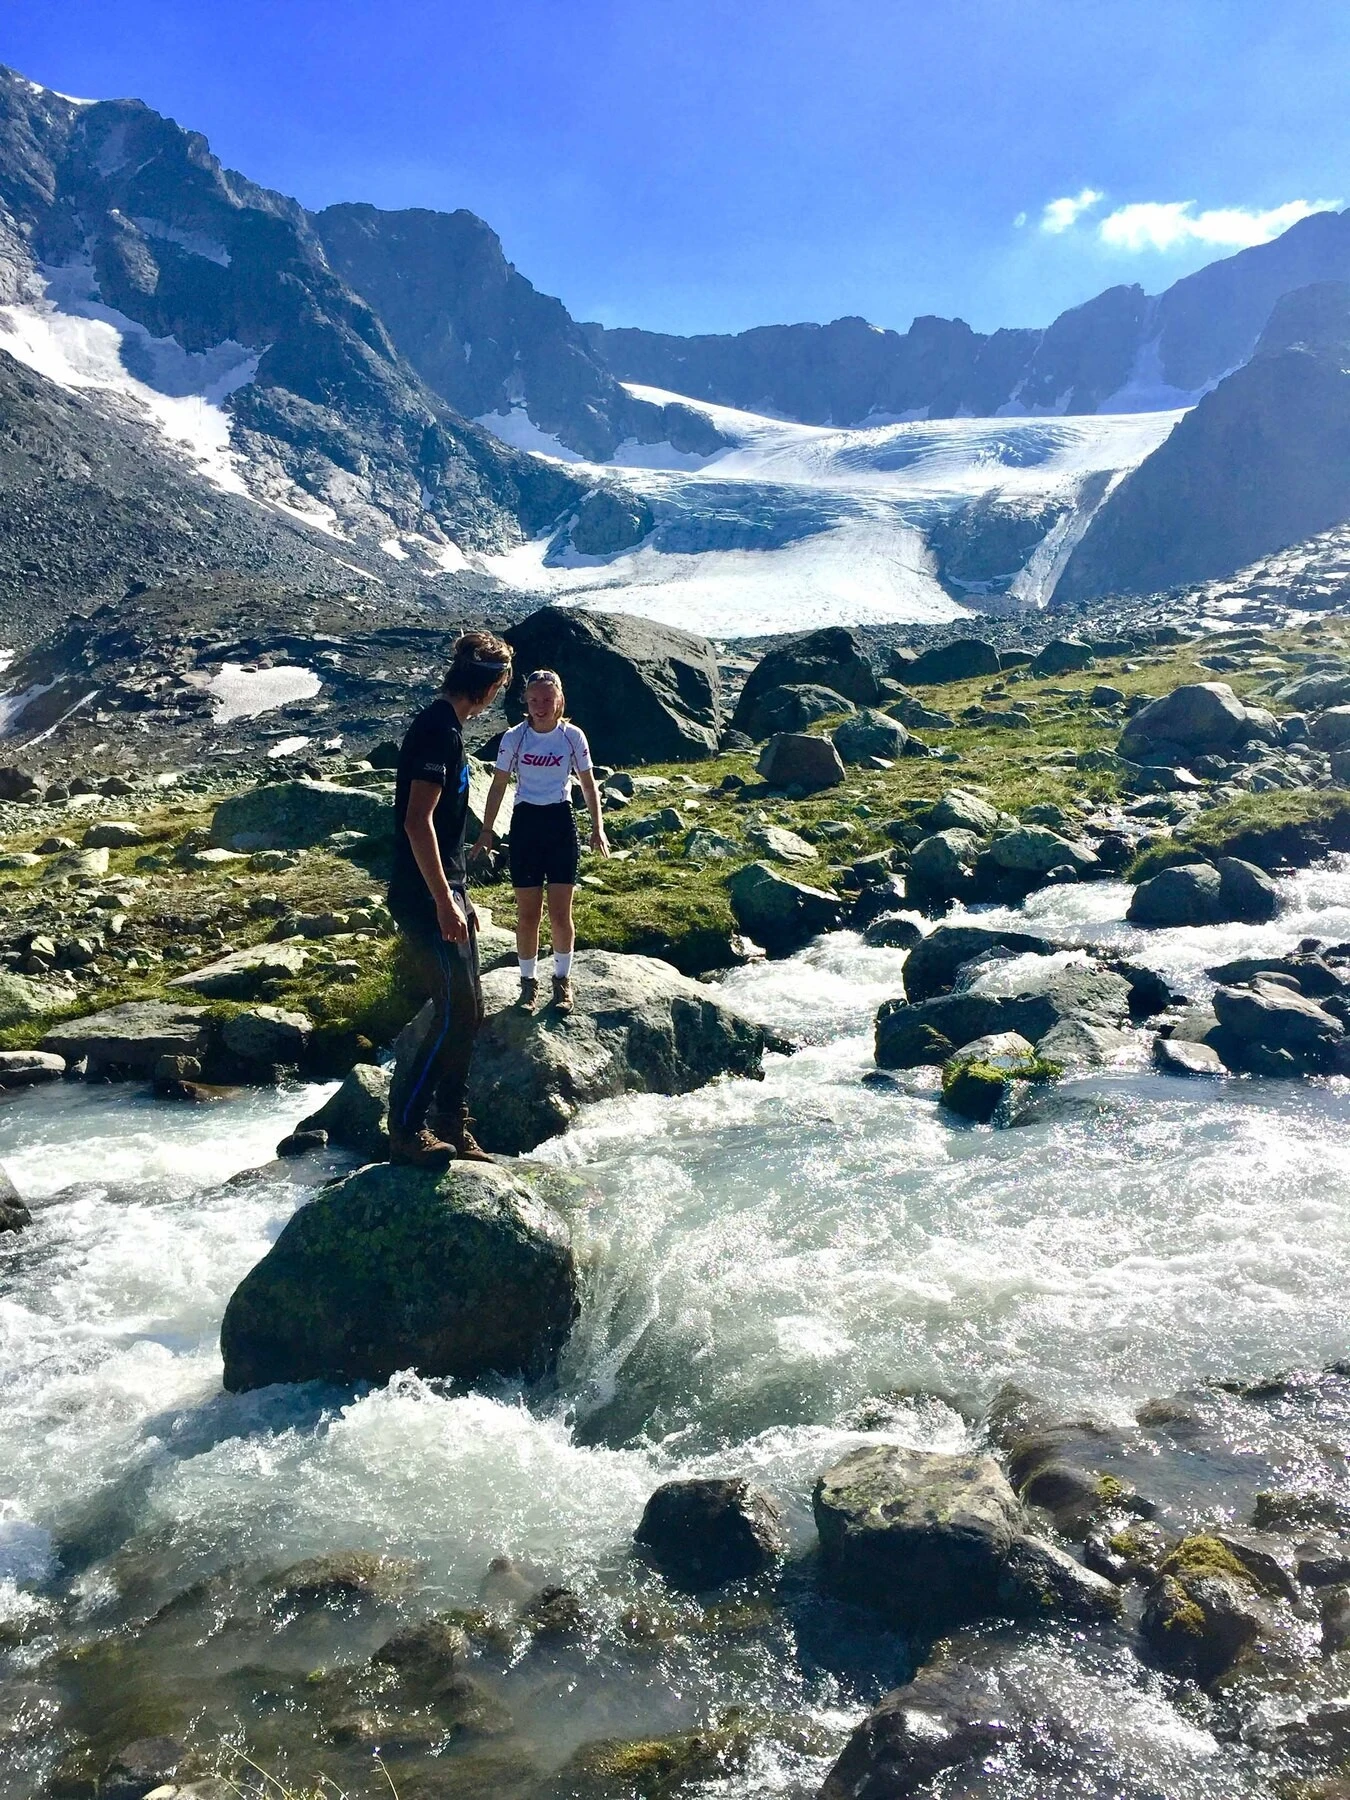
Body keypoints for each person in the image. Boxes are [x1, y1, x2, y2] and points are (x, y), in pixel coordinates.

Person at [385, 630, 513, 1168]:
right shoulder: (437, 731)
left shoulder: (448, 729)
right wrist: (442, 899)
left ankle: (452, 1124)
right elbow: (418, 822)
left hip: (446, 890)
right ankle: (406, 1129)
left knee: (470, 1010)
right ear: (489, 686)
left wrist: (460, 894)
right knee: (453, 1011)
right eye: (501, 685)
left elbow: (445, 828)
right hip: (423, 897)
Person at [472, 668, 608, 1014]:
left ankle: (562, 982)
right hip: (526, 825)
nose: (540, 706)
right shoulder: (515, 738)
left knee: (561, 914)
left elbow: (588, 784)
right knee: (528, 914)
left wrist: (598, 827)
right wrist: (486, 831)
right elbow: (498, 784)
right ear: (525, 701)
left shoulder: (572, 736)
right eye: (534, 700)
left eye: (547, 699)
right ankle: (528, 984)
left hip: (560, 823)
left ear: (559, 699)